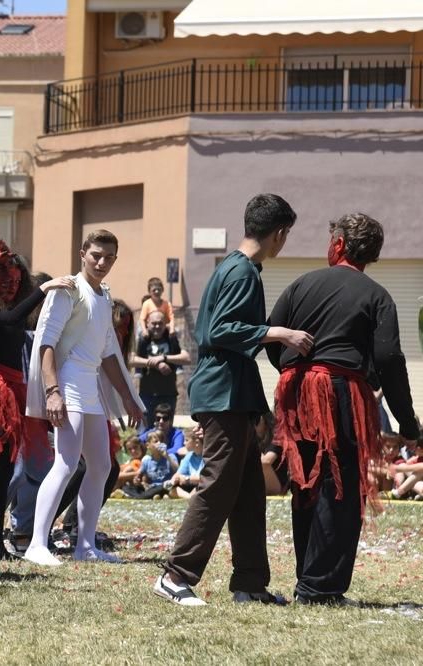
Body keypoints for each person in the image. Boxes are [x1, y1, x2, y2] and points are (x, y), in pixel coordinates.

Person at [154, 193, 312, 607]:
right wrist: (279, 332)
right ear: (279, 234)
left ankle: (250, 584)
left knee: (246, 491)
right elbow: (220, 332)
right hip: (222, 392)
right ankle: (175, 576)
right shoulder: (241, 272)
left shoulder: (236, 268)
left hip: (233, 393)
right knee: (219, 484)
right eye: (287, 235)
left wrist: (256, 406)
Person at [267, 212, 419, 605]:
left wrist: (292, 373)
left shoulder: (302, 284)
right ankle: (321, 589)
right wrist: (408, 421)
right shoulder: (376, 295)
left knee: (306, 483)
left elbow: (271, 338)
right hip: (340, 393)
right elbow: (389, 357)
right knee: (340, 487)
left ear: (338, 244)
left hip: (296, 392)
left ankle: (309, 581)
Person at [25, 229, 144, 566]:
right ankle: (36, 543)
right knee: (65, 462)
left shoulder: (103, 296)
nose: (102, 262)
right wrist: (53, 392)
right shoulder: (67, 291)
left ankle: (86, 545)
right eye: (96, 255)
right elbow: (46, 342)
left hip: (89, 385)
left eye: (109, 257)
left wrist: (128, 397)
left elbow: (108, 353)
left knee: (102, 466)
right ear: (82, 253)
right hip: (68, 382)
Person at [0, 235, 74, 561]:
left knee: (5, 472)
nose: (10, 276)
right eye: (1, 267)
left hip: (11, 391)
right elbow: (8, 322)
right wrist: (43, 289)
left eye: (12, 267)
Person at [130, 311, 190, 428]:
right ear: (147, 323)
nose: (157, 326)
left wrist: (164, 358)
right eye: (154, 323)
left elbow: (186, 358)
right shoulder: (143, 340)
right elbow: (130, 360)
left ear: (166, 323)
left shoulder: (171, 338)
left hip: (168, 395)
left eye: (160, 323)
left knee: (165, 431)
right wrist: (154, 364)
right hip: (147, 395)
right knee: (145, 430)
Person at [123, 434, 177, 500]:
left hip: (167, 485)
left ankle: (146, 496)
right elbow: (138, 475)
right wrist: (136, 480)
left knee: (165, 486)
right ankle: (159, 496)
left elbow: (178, 471)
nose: (159, 444)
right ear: (148, 445)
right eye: (156, 442)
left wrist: (167, 456)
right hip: (153, 487)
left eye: (161, 442)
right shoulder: (146, 460)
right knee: (127, 488)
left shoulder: (171, 456)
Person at [170, 430, 204, 499]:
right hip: (190, 485)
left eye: (186, 440)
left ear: (196, 442)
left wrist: (187, 479)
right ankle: (189, 496)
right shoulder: (189, 455)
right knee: (172, 490)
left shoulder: (206, 457)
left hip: (201, 485)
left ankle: (191, 496)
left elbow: (204, 478)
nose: (184, 443)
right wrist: (173, 480)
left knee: (199, 488)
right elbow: (178, 473)